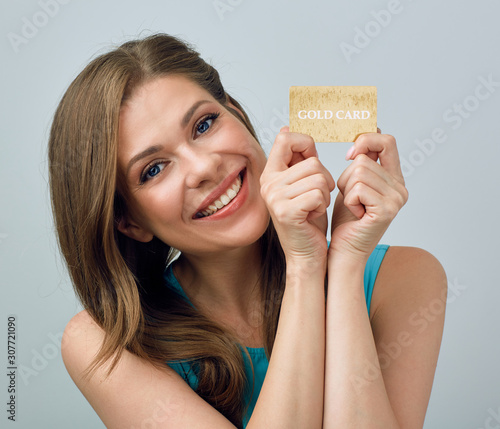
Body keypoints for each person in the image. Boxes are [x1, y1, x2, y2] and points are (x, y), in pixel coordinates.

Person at [49, 33, 446, 429]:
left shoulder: (406, 278)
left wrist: (343, 264)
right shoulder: (104, 344)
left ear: (235, 112)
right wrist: (305, 267)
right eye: (154, 169)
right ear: (128, 221)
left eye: (204, 124)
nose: (204, 167)